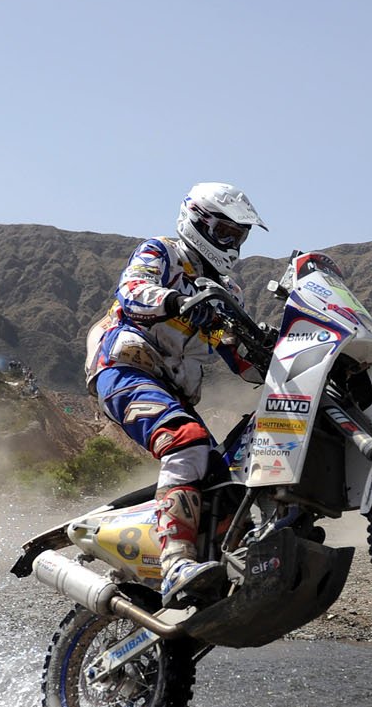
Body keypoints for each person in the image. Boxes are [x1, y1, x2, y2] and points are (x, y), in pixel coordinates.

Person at [84, 182, 268, 603]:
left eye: (239, 236)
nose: (232, 244)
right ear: (197, 222)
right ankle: (175, 565)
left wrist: (269, 351)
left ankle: (215, 570)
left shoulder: (226, 293)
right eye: (225, 232)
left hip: (172, 389)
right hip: (125, 368)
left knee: (224, 478)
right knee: (187, 444)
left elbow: (230, 349)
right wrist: (176, 302)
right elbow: (131, 292)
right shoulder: (162, 253)